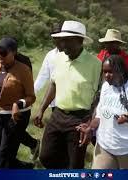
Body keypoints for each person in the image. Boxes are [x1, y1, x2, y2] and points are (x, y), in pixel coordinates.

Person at [33, 20, 102, 169]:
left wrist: (90, 124)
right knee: (46, 156)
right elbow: (53, 85)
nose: (62, 45)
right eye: (61, 40)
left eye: (67, 41)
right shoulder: (58, 58)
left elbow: (99, 96)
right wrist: (41, 109)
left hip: (79, 119)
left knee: (75, 165)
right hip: (57, 115)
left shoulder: (95, 64)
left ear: (79, 40)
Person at [77, 55, 128, 169]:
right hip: (105, 146)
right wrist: (90, 128)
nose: (106, 76)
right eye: (104, 72)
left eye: (110, 72)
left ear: (121, 71)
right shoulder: (106, 87)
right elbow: (99, 116)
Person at [0, 37, 37, 169]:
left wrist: (18, 104)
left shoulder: (23, 70)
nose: (0, 56)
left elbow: (31, 96)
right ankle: (26, 168)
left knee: (3, 160)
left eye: (4, 53)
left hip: (16, 117)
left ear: (14, 53)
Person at [34, 23, 63, 111]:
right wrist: (31, 93)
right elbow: (42, 77)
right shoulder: (50, 55)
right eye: (55, 36)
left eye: (60, 36)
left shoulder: (72, 55)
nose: (57, 39)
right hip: (55, 102)